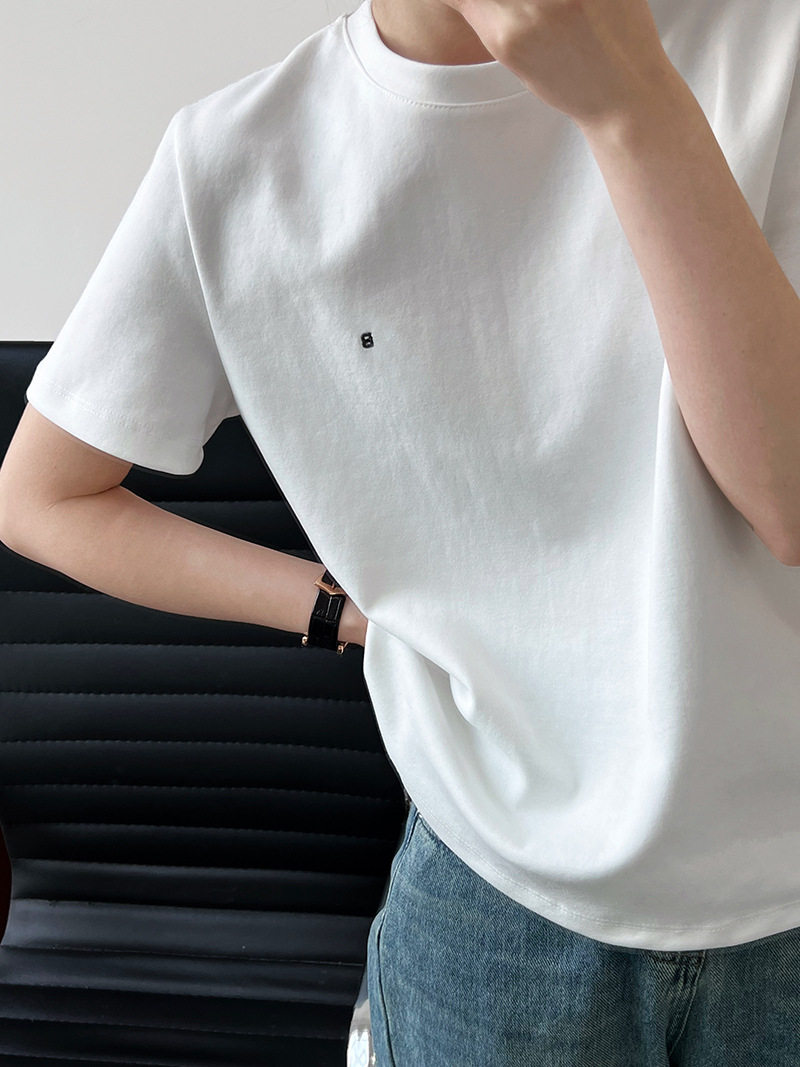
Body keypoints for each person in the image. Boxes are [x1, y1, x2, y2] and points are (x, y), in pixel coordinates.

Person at [2, 0, 800, 1063]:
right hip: (492, 900)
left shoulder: (769, 49)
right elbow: (39, 496)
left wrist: (631, 107)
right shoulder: (242, 158)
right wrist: (340, 612)